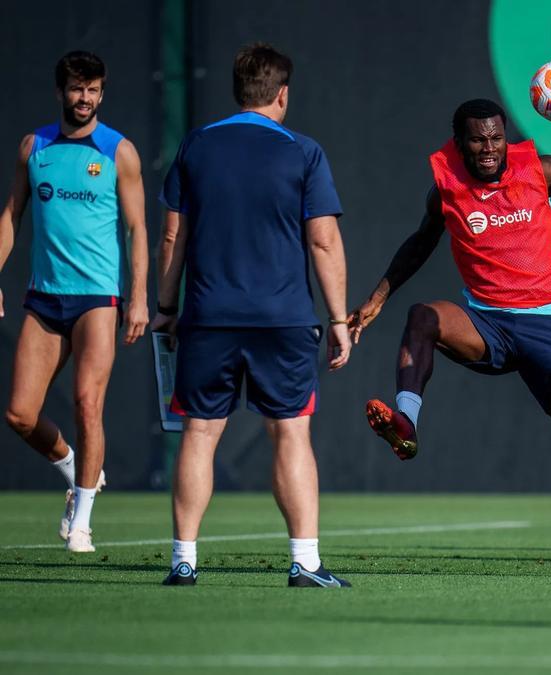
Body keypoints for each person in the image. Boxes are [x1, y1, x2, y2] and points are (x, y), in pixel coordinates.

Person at [349, 98, 551, 577]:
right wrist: (378, 297)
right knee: (424, 315)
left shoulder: (540, 170)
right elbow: (421, 242)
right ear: (459, 141)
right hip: (487, 325)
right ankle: (405, 424)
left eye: (496, 138)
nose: (489, 148)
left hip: (548, 326)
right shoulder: (446, 190)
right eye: (477, 139)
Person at [152, 43, 352, 588]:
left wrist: (165, 308)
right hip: (283, 319)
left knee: (199, 432)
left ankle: (183, 561)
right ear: (282, 93)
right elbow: (325, 242)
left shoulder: (197, 144)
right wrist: (338, 320)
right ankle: (305, 563)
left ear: (238, 90)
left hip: (209, 316)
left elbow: (172, 236)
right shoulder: (303, 151)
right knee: (290, 433)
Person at [0, 51, 148, 552]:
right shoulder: (33, 147)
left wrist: (140, 297)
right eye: (76, 89)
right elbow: (10, 218)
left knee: (89, 404)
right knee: (19, 415)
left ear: (102, 93)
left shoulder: (117, 152)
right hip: (44, 300)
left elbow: (137, 228)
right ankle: (74, 471)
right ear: (61, 91)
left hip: (97, 301)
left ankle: (81, 521)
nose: (84, 98)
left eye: (93, 89)